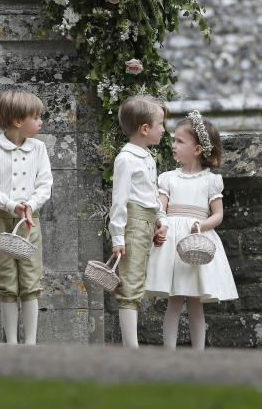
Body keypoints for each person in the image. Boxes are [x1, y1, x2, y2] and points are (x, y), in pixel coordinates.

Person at [145, 111, 237, 350]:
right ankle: (169, 352)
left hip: (196, 240)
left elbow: (217, 214)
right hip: (173, 242)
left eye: (179, 141)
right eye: (173, 140)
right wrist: (161, 226)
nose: (173, 145)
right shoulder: (167, 178)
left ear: (197, 149)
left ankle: (199, 353)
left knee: (195, 301)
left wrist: (200, 225)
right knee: (174, 301)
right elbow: (161, 209)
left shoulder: (210, 181)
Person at [0, 91, 52, 345]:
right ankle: (11, 342)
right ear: (18, 122)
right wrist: (12, 205)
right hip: (1, 220)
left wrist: (30, 205)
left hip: (29, 223)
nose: (40, 121)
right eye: (36, 117)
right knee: (6, 281)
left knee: (30, 281)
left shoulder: (39, 148)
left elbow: (45, 183)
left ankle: (30, 343)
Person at [110, 94, 165, 348]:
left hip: (145, 223)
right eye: (160, 125)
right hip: (132, 224)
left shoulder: (147, 157)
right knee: (130, 284)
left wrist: (158, 221)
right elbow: (119, 201)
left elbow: (151, 194)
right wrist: (118, 237)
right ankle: (131, 348)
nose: (164, 130)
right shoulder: (126, 159)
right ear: (145, 129)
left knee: (139, 282)